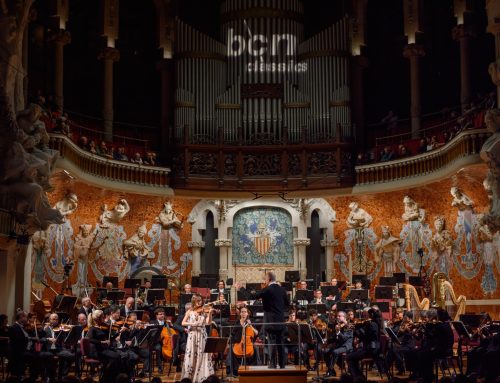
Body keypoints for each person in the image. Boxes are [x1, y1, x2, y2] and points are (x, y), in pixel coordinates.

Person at [252, 271, 290, 369]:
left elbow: (253, 296)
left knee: (272, 342)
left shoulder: (267, 289)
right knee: (280, 342)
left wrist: (241, 288)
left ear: (269, 279)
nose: (264, 281)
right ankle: (282, 364)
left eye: (265, 279)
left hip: (271, 321)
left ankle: (273, 364)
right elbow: (287, 304)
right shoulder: (282, 290)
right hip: (281, 321)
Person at [181, 294, 214, 382]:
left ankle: (202, 376)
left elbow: (208, 323)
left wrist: (210, 313)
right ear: (193, 301)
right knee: (192, 354)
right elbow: (183, 323)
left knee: (202, 354)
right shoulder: (189, 311)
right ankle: (190, 377)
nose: (200, 302)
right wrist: (192, 324)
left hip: (202, 335)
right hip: (193, 335)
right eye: (198, 301)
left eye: (201, 300)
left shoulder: (204, 311)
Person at [346, 308, 381, 378]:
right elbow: (365, 336)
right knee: (352, 354)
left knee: (349, 357)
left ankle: (357, 376)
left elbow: (365, 337)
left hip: (371, 350)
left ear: (371, 315)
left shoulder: (372, 325)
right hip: (371, 348)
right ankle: (359, 375)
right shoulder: (374, 323)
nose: (365, 316)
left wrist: (356, 329)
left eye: (367, 314)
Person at [226, 306, 258, 377]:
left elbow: (256, 333)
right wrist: (229, 343)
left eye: (245, 312)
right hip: (237, 343)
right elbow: (232, 334)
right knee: (231, 350)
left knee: (256, 349)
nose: (243, 313)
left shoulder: (250, 322)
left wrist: (251, 326)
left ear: (247, 314)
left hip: (248, 343)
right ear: (240, 314)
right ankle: (232, 372)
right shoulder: (237, 322)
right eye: (242, 312)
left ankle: (255, 369)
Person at [324, 311, 353, 377]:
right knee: (325, 352)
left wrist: (338, 332)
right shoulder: (339, 325)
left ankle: (330, 371)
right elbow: (334, 338)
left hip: (346, 346)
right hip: (339, 346)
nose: (337, 317)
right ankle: (333, 371)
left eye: (339, 316)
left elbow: (344, 339)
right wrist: (327, 341)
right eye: (337, 316)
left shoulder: (349, 326)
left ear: (345, 317)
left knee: (335, 352)